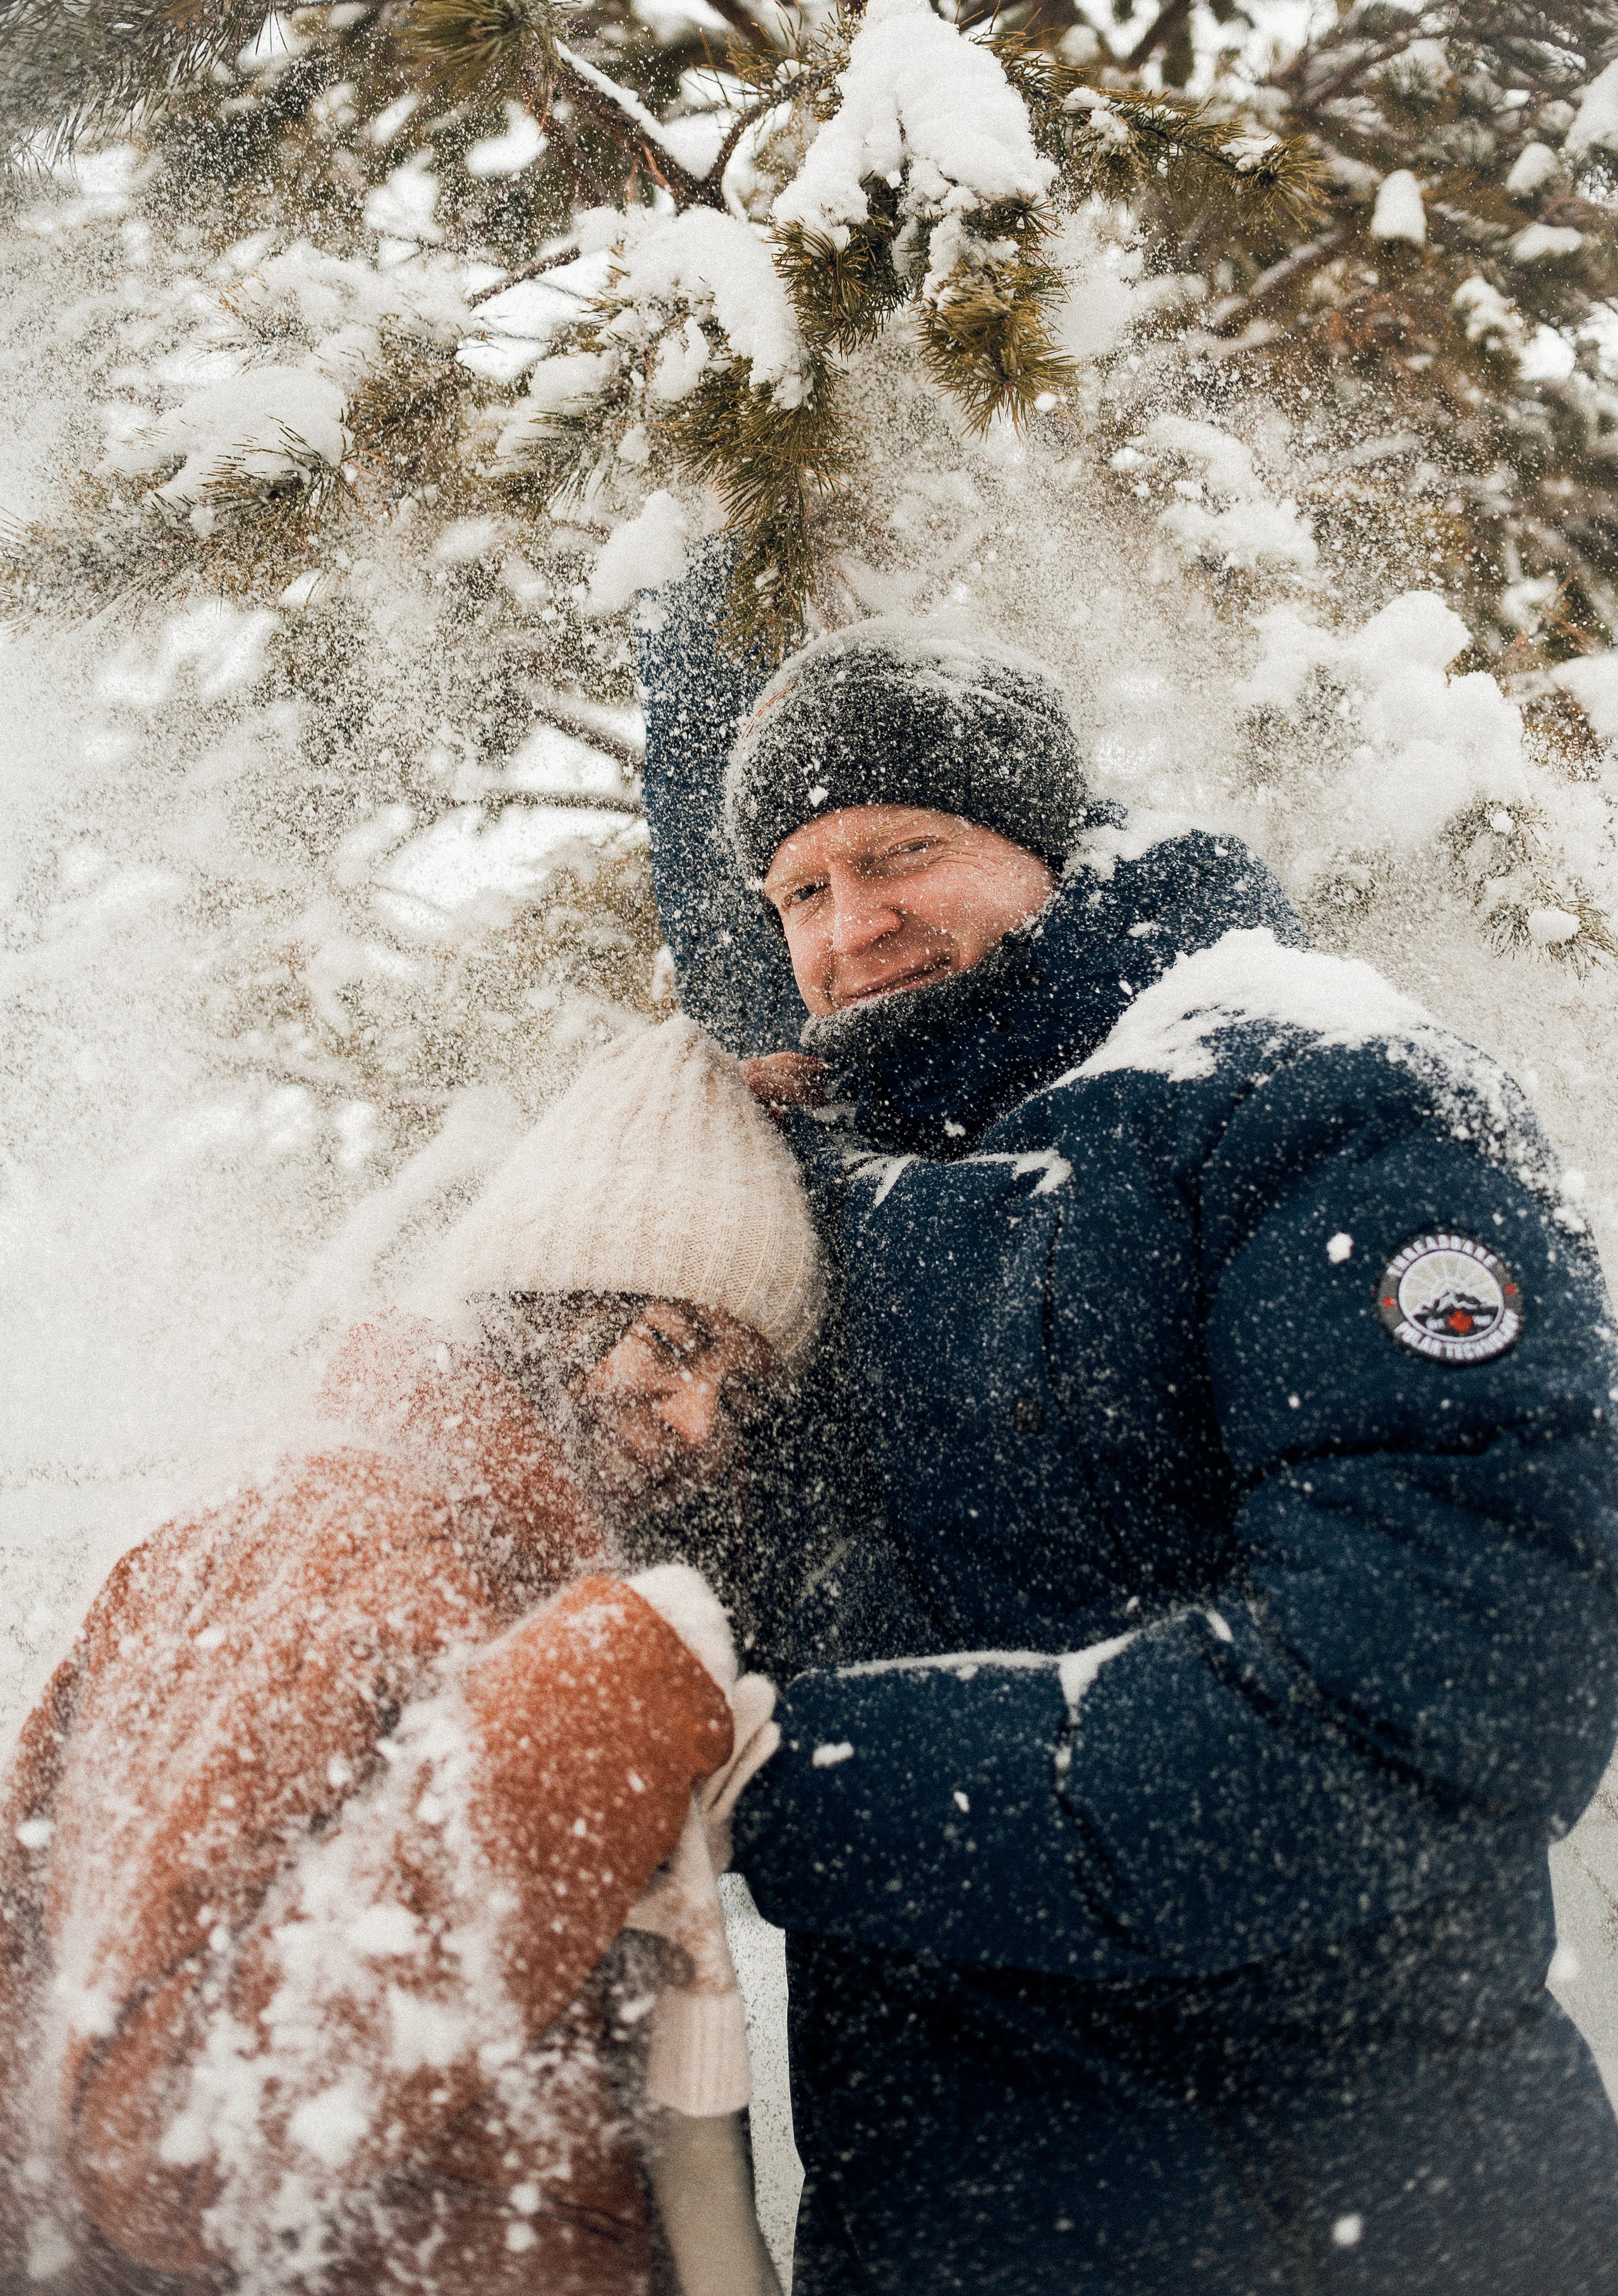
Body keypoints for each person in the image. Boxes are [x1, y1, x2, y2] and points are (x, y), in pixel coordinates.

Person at [638, 540, 1618, 2293]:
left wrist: (800, 1788)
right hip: (948, 2227)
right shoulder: (824, 1203)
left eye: (902, 852)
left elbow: (1445, 1687)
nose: (849, 927)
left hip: (1354, 2221)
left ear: (1044, 839)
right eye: (797, 891)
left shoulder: (1322, 1100)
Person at [0, 1015, 818, 2296]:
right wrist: (592, 1717)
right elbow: (167, 2142)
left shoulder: (493, 1577)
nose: (697, 1419)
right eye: (668, 1340)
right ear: (547, 1303)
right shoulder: (317, 1534)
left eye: (740, 1387)